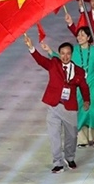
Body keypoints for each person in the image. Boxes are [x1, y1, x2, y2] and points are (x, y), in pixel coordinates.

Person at [24, 35, 90, 173]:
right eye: (62, 53)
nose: (65, 56)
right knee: (54, 136)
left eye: (68, 54)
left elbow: (84, 87)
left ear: (71, 54)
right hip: (54, 105)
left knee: (72, 136)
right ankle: (58, 162)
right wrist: (31, 47)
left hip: (70, 108)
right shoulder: (54, 64)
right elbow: (41, 61)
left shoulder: (79, 71)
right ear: (59, 54)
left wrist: (86, 100)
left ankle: (69, 157)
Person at [41, 26, 94, 148]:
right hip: (78, 84)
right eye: (78, 35)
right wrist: (49, 51)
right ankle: (82, 138)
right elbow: (61, 59)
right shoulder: (73, 50)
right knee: (80, 110)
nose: (79, 37)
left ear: (88, 37)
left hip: (92, 83)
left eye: (82, 35)